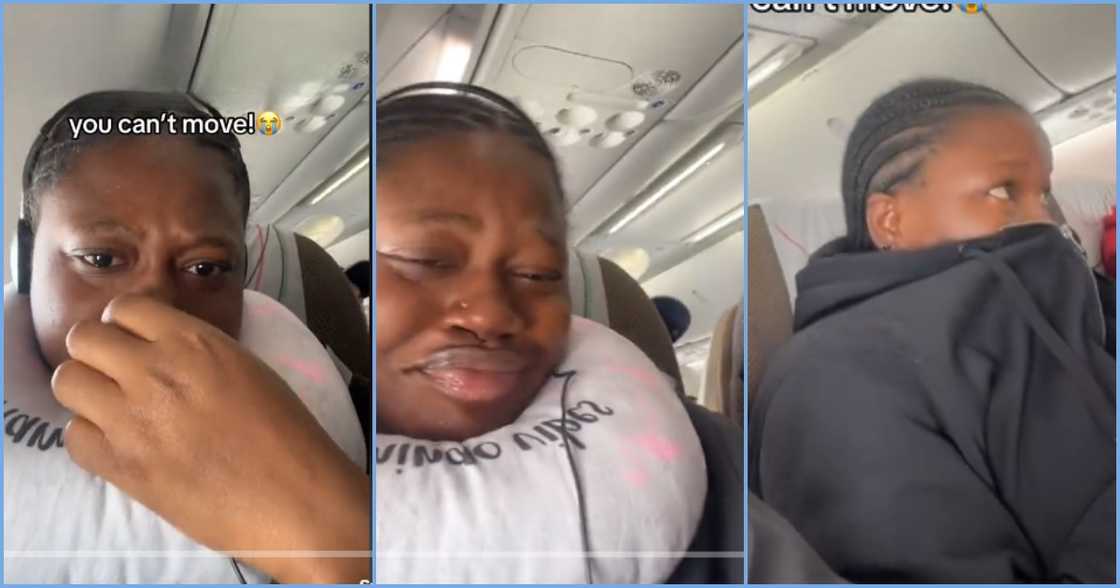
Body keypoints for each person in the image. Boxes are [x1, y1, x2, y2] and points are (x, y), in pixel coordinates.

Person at [749, 79, 1116, 582]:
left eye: (1043, 193)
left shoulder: (1071, 299)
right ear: (890, 220)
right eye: (1001, 191)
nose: (1043, 220)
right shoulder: (835, 381)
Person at [8, 91, 371, 583]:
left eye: (205, 268)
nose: (152, 308)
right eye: (100, 259)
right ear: (25, 259)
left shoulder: (373, 420)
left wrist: (333, 536)